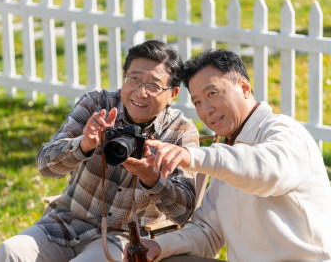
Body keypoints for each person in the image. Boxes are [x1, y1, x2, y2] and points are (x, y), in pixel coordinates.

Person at [0, 40, 200, 261]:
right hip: (66, 221)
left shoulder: (180, 132)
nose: (141, 92)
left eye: (154, 86)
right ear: (124, 77)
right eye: (134, 79)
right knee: (10, 251)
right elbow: (45, 166)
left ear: (173, 94)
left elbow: (183, 212)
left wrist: (151, 179)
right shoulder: (97, 104)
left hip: (124, 237)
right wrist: (84, 144)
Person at [124, 49, 331, 262]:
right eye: (197, 102)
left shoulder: (285, 132)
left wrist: (192, 156)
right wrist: (159, 246)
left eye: (212, 94)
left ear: (244, 88)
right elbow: (207, 232)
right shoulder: (230, 150)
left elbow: (266, 171)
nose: (206, 110)